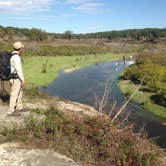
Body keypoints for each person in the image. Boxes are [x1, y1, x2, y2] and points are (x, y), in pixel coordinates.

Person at [7, 41, 25, 116]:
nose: (22, 49)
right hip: (16, 79)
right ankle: (10, 111)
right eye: (22, 48)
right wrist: (23, 80)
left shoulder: (12, 55)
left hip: (15, 78)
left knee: (20, 93)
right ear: (20, 49)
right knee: (14, 94)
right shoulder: (16, 57)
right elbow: (18, 70)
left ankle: (19, 107)